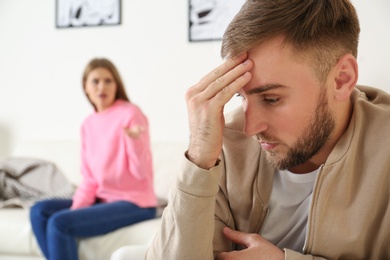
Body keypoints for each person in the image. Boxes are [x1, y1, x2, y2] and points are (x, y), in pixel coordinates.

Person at [146, 0, 390, 259]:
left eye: (271, 99)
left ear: (342, 79)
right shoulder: (222, 144)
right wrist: (199, 161)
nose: (250, 128)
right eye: (241, 97)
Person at [30, 58, 157, 260]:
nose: (102, 87)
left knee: (58, 223)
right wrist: (77, 210)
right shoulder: (88, 124)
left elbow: (142, 173)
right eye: (95, 81)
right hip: (103, 199)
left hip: (136, 203)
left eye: (108, 81)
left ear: (117, 85)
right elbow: (90, 179)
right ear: (85, 87)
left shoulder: (130, 113)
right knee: (39, 211)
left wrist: (134, 141)